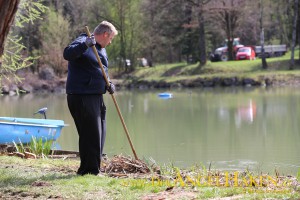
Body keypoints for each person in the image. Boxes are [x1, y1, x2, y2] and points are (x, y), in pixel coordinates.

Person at [63, 21, 118, 176]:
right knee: (91, 134)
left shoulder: (100, 48)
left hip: (95, 95)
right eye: (111, 38)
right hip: (82, 96)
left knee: (99, 133)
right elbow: (67, 53)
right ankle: (91, 171)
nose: (110, 42)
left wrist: (108, 83)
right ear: (105, 34)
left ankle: (89, 169)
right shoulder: (83, 41)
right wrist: (85, 45)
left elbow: (100, 69)